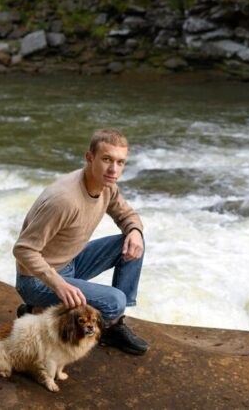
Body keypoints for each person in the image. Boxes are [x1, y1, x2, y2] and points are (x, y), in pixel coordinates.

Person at [13, 128, 148, 355]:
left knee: (133, 241)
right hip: (38, 280)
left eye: (120, 162)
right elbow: (23, 250)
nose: (114, 169)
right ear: (90, 158)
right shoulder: (64, 200)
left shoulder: (107, 186)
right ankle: (42, 306)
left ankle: (114, 322)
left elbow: (127, 216)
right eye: (106, 160)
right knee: (115, 300)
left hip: (71, 262)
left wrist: (135, 230)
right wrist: (58, 284)